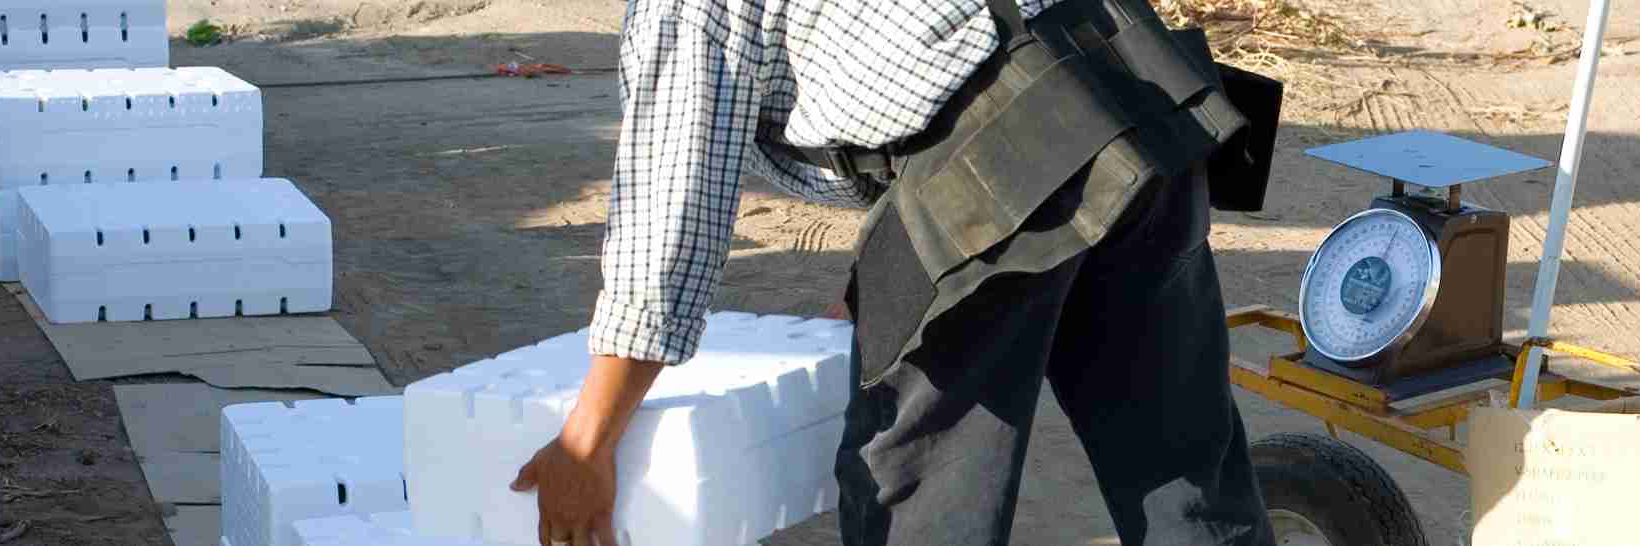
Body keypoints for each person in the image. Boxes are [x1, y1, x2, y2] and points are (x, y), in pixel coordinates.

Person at [504, 0, 1277, 544]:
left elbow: (667, 230)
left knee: (913, 499)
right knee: (1187, 479)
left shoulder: (686, 8)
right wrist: (887, 274)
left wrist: (587, 444)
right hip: (1143, 111)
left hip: (1016, 159)